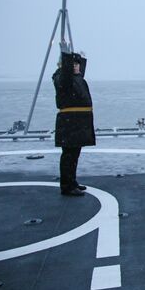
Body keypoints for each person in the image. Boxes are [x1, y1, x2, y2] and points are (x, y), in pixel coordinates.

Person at [53, 45, 95, 196]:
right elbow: (66, 74)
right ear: (65, 66)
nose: (77, 67)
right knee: (68, 156)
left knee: (74, 154)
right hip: (70, 124)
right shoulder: (62, 78)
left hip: (77, 123)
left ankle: (72, 181)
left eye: (77, 64)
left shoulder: (76, 77)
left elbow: (78, 71)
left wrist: (82, 59)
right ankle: (67, 186)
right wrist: (66, 55)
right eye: (74, 64)